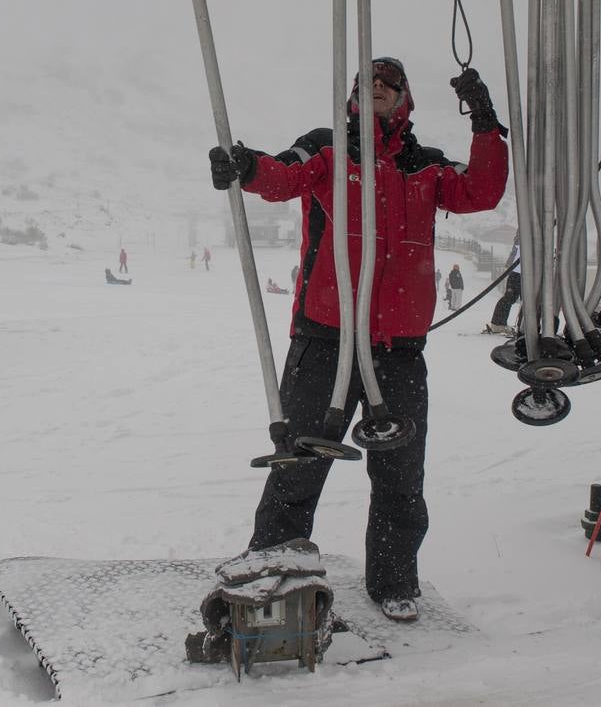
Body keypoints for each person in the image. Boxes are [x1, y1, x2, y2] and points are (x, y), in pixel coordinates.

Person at [208, 58, 507, 622]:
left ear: (404, 100)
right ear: (351, 97)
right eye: (365, 82)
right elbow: (279, 176)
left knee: (400, 477)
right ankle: (272, 569)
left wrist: (485, 120)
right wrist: (245, 166)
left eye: (387, 84)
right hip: (327, 343)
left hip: (398, 351)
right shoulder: (326, 150)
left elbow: (483, 191)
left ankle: (394, 580)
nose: (375, 88)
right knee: (298, 464)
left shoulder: (426, 167)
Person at [486, 240, 521, 334]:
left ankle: (499, 324)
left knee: (512, 298)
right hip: (519, 271)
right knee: (510, 298)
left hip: (520, 271)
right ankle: (498, 324)